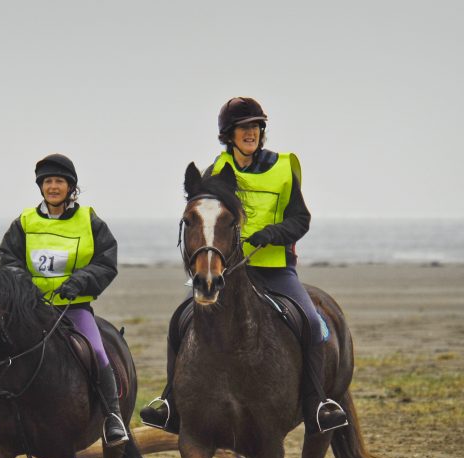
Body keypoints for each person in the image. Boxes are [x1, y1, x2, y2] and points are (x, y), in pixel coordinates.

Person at [139, 97, 348, 435]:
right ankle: (170, 401)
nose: (251, 132)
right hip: (227, 270)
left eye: (255, 127)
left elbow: (301, 219)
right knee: (180, 320)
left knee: (311, 321)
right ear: (229, 135)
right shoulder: (216, 171)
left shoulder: (284, 167)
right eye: (243, 128)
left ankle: (318, 402)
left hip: (275, 268)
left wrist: (272, 234)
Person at [0, 153, 130, 446]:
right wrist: (24, 287)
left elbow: (106, 262)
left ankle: (112, 417)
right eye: (47, 182)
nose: (53, 187)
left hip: (73, 308)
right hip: (29, 310)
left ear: (71, 187)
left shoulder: (90, 221)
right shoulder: (24, 222)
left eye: (59, 181)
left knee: (96, 351)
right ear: (41, 187)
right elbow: (10, 259)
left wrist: (79, 282)